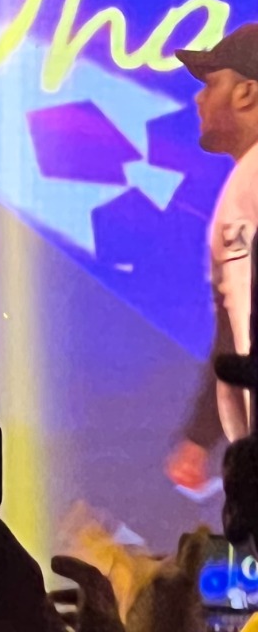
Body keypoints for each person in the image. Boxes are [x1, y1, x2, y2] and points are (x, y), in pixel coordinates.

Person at [166, 25, 258, 490]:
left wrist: (201, 438)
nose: (199, 99)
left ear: (247, 93)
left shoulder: (250, 186)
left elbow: (243, 329)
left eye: (212, 83)